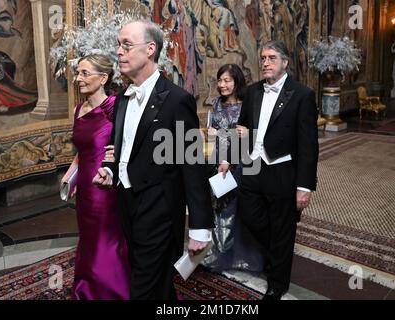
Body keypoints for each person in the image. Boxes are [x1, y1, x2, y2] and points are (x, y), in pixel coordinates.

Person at [92, 20, 214, 300]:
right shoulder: (123, 97)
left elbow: (192, 165)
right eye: (118, 45)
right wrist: (110, 170)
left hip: (159, 209)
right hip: (127, 203)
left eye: (126, 45)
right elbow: (121, 145)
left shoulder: (176, 100)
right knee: (154, 281)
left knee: (143, 288)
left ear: (150, 49)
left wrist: (200, 226)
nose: (119, 52)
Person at [232, 40, 318, 300]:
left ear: (285, 62)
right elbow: (243, 125)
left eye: (271, 58)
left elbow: (308, 145)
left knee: (283, 228)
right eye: (263, 58)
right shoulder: (252, 91)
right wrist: (243, 137)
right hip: (253, 167)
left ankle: (277, 283)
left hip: (282, 171)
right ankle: (276, 253)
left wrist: (304, 186)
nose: (265, 62)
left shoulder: (302, 94)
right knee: (249, 216)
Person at [61, 54, 130, 300]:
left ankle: (113, 291)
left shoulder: (114, 106)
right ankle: (87, 289)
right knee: (88, 238)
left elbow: (126, 143)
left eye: (84, 73)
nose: (78, 79)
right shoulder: (78, 109)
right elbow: (81, 151)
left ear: (103, 78)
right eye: (77, 73)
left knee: (106, 239)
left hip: (105, 186)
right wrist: (70, 176)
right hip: (84, 189)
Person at [202, 64, 264, 273]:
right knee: (219, 207)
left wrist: (245, 134)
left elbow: (253, 136)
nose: (222, 85)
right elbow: (217, 132)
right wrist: (212, 132)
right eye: (220, 80)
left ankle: (236, 255)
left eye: (227, 80)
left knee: (238, 210)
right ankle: (221, 253)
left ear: (237, 81)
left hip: (239, 162)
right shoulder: (217, 103)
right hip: (218, 159)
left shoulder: (247, 105)